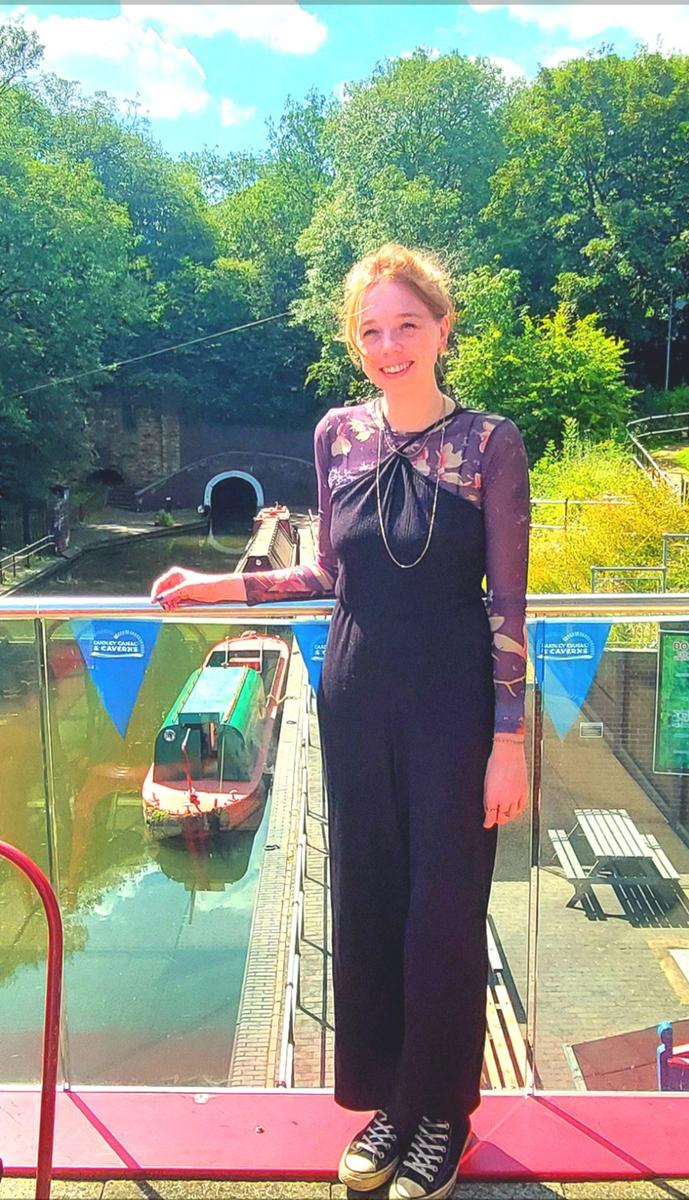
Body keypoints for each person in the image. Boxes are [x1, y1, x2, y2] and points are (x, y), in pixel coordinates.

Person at [151, 243, 530, 1200]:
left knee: (445, 911)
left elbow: (509, 610)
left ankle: (444, 1113)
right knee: (367, 903)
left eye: (407, 325)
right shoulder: (337, 436)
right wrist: (218, 586)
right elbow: (328, 573)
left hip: (453, 708)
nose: (389, 346)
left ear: (443, 329)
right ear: (354, 342)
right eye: (371, 331)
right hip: (355, 696)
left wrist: (510, 741)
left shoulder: (489, 445)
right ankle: (393, 1103)